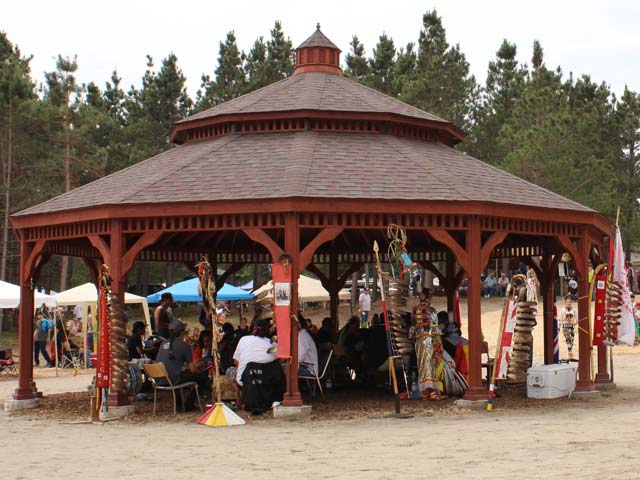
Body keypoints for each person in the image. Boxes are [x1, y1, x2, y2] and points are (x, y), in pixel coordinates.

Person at [156, 319, 210, 411]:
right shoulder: (184, 346)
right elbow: (192, 369)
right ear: (182, 332)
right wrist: (200, 371)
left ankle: (179, 405)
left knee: (176, 373)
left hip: (158, 379)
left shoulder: (163, 343)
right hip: (173, 379)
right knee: (202, 377)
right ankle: (189, 404)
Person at [233, 319, 284, 414]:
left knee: (231, 371)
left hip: (246, 380)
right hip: (267, 382)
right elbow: (279, 361)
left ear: (253, 328)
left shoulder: (244, 339)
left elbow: (236, 361)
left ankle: (240, 401)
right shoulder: (273, 344)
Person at [413, 290, 445, 399]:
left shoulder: (415, 310)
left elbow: (412, 329)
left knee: (422, 365)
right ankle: (432, 393)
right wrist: (440, 343)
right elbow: (434, 328)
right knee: (429, 365)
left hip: (418, 342)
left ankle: (425, 393)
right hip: (427, 340)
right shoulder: (430, 310)